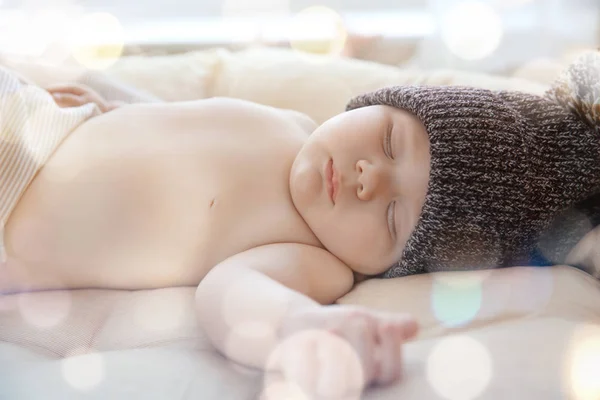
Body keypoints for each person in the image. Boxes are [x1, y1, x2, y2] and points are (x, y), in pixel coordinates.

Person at [0, 50, 599, 398]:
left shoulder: (313, 257)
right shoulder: (291, 122)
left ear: (390, 265)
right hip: (31, 115)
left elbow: (232, 297)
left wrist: (301, 326)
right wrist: (100, 109)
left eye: (392, 216)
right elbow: (172, 125)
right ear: (377, 102)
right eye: (389, 140)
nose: (369, 179)